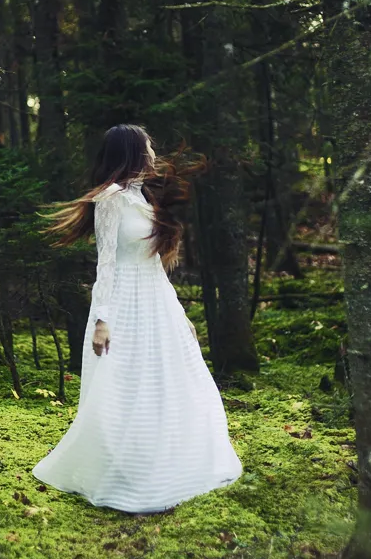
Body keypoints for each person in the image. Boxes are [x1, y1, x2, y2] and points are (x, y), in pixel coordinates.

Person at [34, 124, 242, 513]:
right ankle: (125, 472)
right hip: (122, 304)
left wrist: (180, 314)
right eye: (147, 146)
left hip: (155, 301)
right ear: (131, 152)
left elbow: (156, 267)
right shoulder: (111, 199)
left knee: (174, 380)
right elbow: (107, 262)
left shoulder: (142, 199)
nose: (152, 152)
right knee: (124, 387)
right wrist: (101, 319)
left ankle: (168, 462)